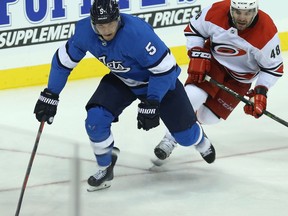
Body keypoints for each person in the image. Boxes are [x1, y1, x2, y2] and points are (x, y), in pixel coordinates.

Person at [33, 0, 215, 191]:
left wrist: (152, 100)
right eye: (100, 25)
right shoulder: (84, 31)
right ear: (92, 22)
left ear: (118, 19)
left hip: (158, 83)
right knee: (95, 120)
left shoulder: (138, 34)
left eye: (110, 23)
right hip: (122, 80)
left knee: (185, 137)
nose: (106, 30)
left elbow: (165, 70)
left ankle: (200, 139)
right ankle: (105, 166)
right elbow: (63, 62)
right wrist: (51, 94)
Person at [154, 0, 284, 161]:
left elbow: (273, 69)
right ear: (231, 7)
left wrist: (261, 92)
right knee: (191, 97)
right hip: (213, 63)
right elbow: (194, 30)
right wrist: (196, 53)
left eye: (248, 12)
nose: (242, 18)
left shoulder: (266, 32)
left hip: (240, 79)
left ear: (256, 10)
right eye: (238, 12)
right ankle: (170, 139)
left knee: (207, 117)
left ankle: (197, 134)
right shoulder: (216, 11)